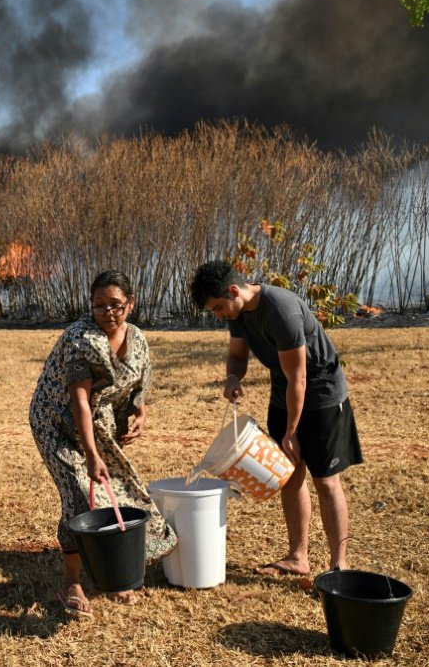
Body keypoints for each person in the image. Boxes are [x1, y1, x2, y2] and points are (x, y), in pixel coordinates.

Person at [189, 260, 362, 576]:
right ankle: (298, 557)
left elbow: (300, 378)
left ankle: (339, 566)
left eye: (217, 307)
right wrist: (232, 377)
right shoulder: (238, 313)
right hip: (284, 393)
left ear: (233, 290)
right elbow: (238, 356)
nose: (218, 315)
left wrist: (292, 432)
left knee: (325, 480)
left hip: (321, 394)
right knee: (289, 474)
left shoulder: (280, 310)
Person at [29, 270, 177, 617]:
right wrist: (93, 455)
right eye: (99, 306)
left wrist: (140, 412)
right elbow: (79, 401)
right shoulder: (81, 339)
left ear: (131, 304)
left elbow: (139, 381)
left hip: (99, 424)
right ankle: (72, 583)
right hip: (57, 424)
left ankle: (112, 573)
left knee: (117, 495)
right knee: (79, 497)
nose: (108, 313)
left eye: (116, 305)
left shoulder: (138, 338)